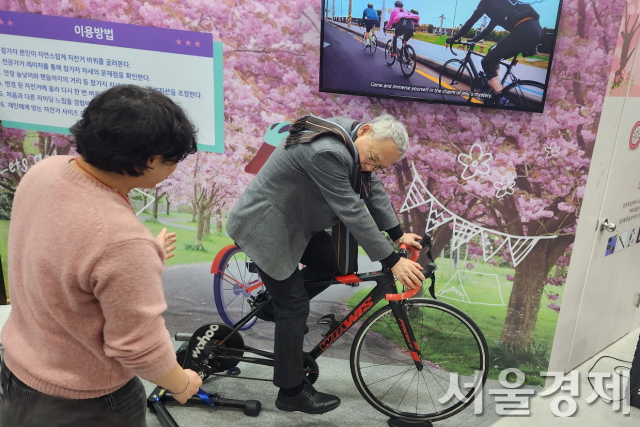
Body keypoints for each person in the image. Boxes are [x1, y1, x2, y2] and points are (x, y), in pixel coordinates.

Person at [0, 84, 203, 426]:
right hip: (85, 400)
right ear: (150, 160)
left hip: (18, 370)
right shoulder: (121, 240)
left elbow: (63, 255)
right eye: (172, 161)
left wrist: (144, 257)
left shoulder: (44, 172)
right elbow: (138, 346)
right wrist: (182, 383)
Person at [226, 114, 425, 414]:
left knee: (329, 264)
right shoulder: (328, 150)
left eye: (379, 165)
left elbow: (371, 187)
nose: (371, 167)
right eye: (371, 159)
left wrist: (398, 234)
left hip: (295, 222)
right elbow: (351, 207)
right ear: (367, 131)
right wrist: (391, 259)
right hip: (266, 225)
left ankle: (271, 305)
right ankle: (291, 392)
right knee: (294, 307)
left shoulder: (355, 138)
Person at [446, 0, 542, 104]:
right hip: (537, 31)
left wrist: (454, 38)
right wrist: (474, 40)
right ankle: (494, 85)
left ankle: (499, 99)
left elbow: (471, 22)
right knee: (492, 52)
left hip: (523, 30)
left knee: (486, 61)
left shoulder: (486, 2)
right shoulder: (501, 7)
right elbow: (488, 29)